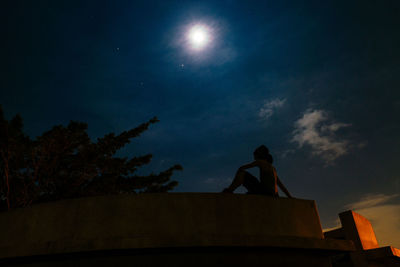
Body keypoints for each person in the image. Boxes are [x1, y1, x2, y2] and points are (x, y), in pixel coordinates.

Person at [222, 145, 293, 198]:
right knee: (255, 181)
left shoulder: (260, 162)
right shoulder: (273, 169)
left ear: (259, 155)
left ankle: (229, 190)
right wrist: (290, 196)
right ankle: (251, 192)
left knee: (242, 173)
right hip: (273, 195)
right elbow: (281, 185)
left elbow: (241, 168)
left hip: (264, 192)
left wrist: (234, 184)